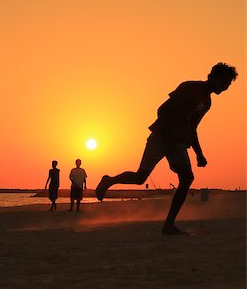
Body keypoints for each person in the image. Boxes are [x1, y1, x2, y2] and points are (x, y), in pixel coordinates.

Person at [95, 63, 238, 235]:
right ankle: (109, 181)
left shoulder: (207, 102)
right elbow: (162, 110)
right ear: (213, 77)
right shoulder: (189, 87)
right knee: (140, 177)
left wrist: (199, 153)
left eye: (229, 84)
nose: (226, 87)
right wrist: (169, 136)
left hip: (178, 143)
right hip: (161, 137)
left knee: (187, 178)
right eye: (225, 82)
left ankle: (168, 225)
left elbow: (192, 128)